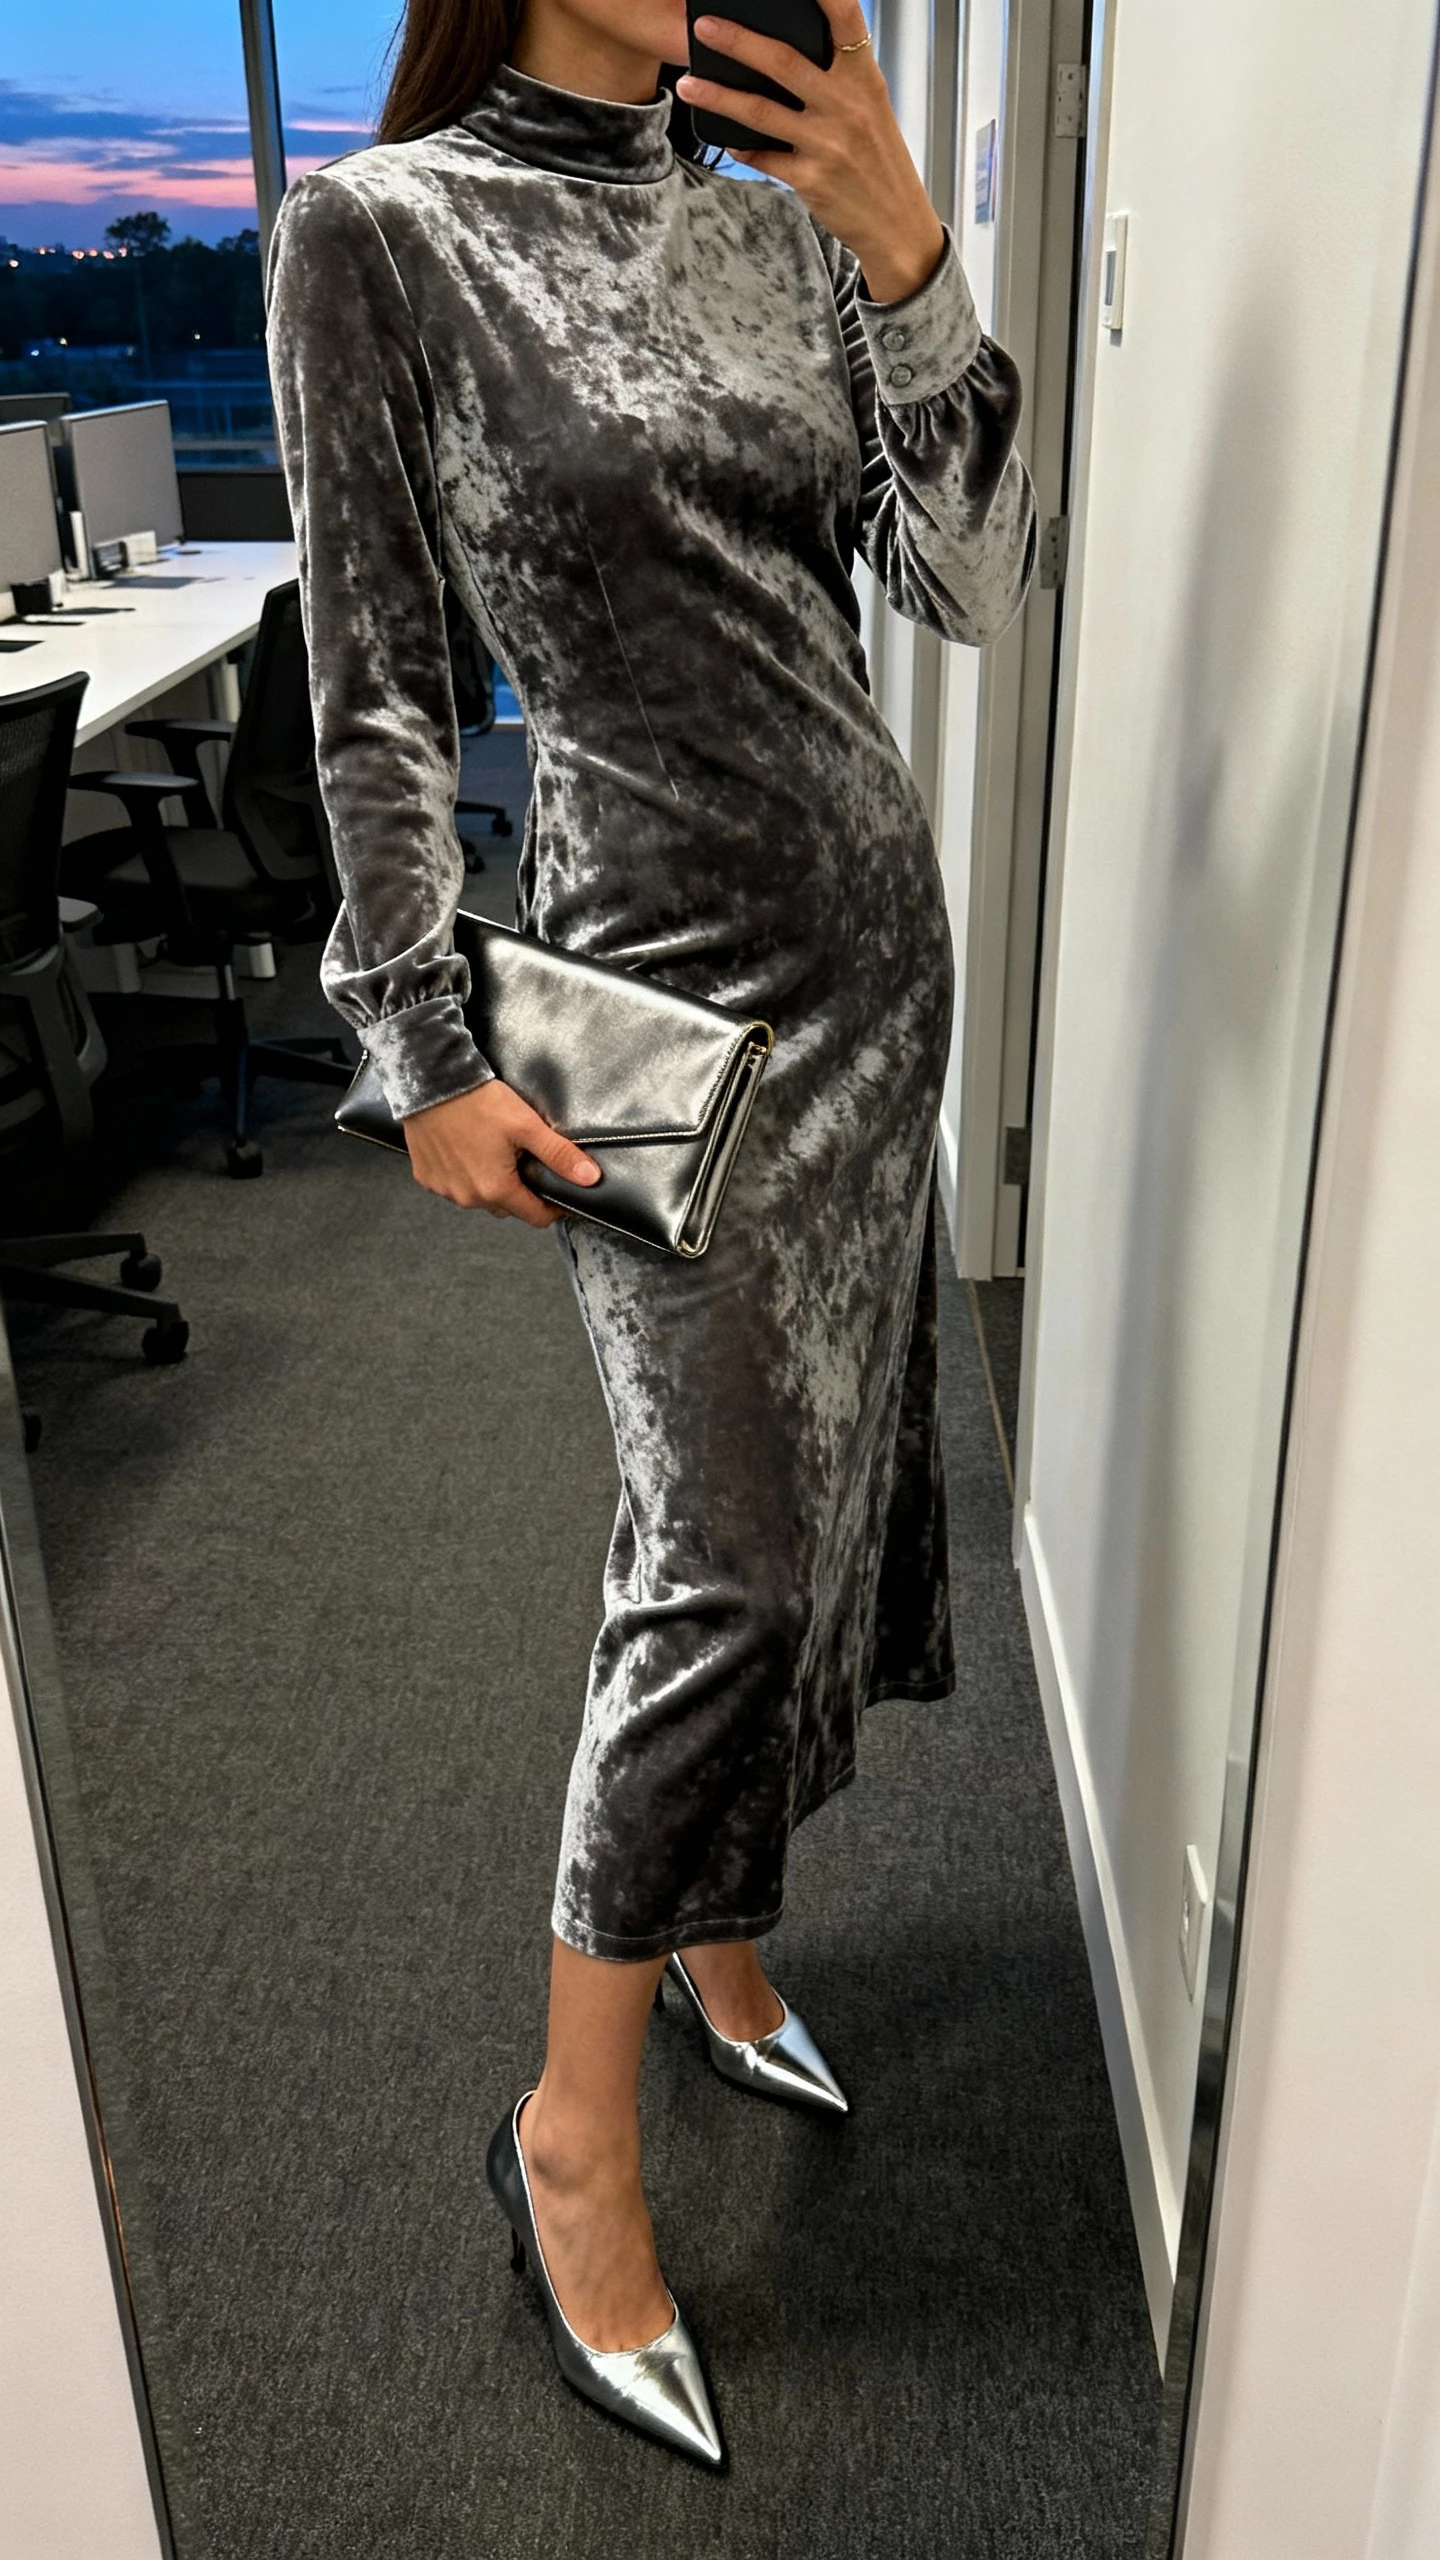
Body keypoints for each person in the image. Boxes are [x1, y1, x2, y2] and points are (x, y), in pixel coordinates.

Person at [268, 0, 1034, 2469]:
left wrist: (910, 262)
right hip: (645, 1005)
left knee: (806, 1504)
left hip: (872, 970)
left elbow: (971, 585)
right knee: (723, 1561)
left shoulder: (779, 222)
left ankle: (719, 1931)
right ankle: (571, 2139)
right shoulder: (380, 234)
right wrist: (418, 1038)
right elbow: (378, 694)